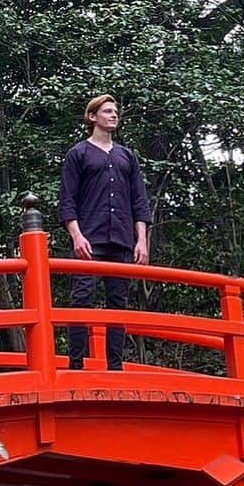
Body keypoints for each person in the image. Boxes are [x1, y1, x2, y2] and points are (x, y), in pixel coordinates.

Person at [58, 93, 151, 370]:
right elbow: (67, 199)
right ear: (92, 117)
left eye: (115, 111)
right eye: (107, 111)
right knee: (82, 298)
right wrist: (76, 235)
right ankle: (75, 365)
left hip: (122, 239)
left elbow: (139, 201)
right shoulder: (79, 153)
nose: (113, 115)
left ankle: (116, 366)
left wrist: (141, 240)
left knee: (118, 302)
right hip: (89, 237)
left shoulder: (127, 156)